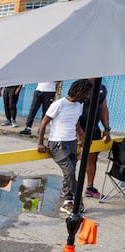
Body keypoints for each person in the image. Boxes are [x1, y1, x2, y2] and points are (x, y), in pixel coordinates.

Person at [36, 79, 94, 216]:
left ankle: (67, 202)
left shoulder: (78, 105)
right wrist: (40, 142)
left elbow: (76, 124)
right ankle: (78, 199)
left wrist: (83, 137)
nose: (88, 96)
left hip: (71, 142)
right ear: (79, 91)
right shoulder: (59, 104)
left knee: (71, 172)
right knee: (69, 173)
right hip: (57, 144)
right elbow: (44, 123)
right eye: (87, 93)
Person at [79, 78, 112, 199]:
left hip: (93, 129)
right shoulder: (80, 84)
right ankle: (67, 189)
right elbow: (72, 107)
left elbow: (103, 108)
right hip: (77, 127)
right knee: (72, 158)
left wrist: (107, 129)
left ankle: (89, 188)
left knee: (92, 158)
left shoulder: (102, 88)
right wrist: (78, 131)